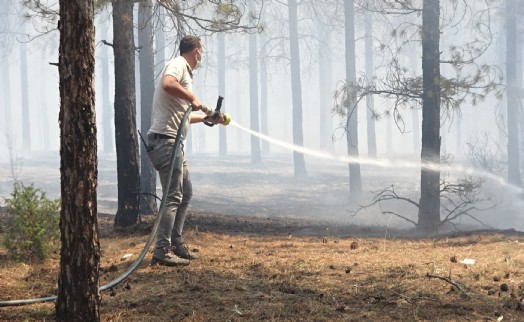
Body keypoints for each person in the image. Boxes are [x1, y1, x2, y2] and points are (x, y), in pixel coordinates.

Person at [147, 35, 225, 266]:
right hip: (165, 143)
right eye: (201, 50)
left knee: (186, 192)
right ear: (196, 51)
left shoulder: (186, 73)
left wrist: (209, 118)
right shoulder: (178, 65)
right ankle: (161, 250)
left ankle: (175, 242)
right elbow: (168, 84)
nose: (202, 55)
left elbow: (184, 118)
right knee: (173, 195)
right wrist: (194, 98)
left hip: (172, 143)